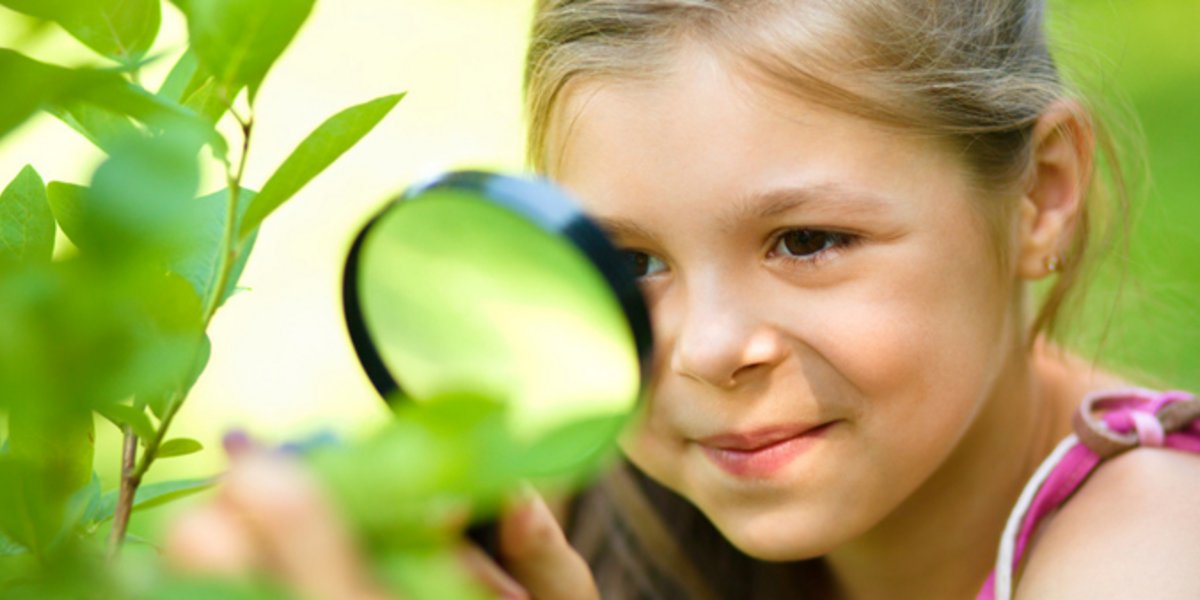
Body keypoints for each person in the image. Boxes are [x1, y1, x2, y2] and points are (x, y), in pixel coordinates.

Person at [167, 1, 1200, 598]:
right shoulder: (613, 514)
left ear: (1040, 195)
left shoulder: (1158, 541)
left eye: (808, 241)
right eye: (632, 264)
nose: (705, 349)